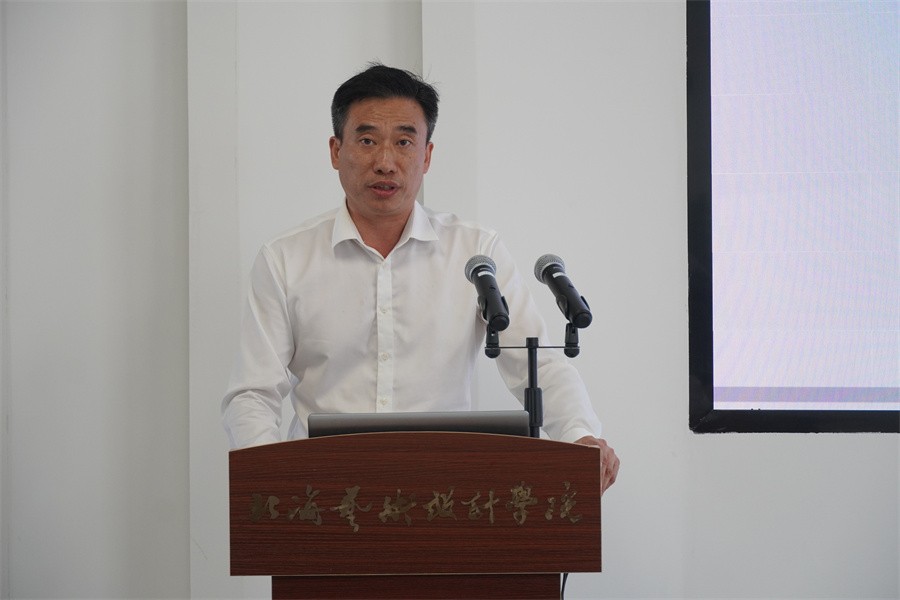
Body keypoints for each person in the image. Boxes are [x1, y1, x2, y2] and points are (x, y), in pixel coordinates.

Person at [222, 63, 619, 493]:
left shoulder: (476, 253)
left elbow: (537, 364)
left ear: (426, 156)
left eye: (404, 142)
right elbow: (253, 394)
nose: (385, 162)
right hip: (323, 493)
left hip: (446, 493)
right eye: (367, 140)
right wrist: (270, 477)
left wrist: (579, 435)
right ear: (336, 151)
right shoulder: (285, 258)